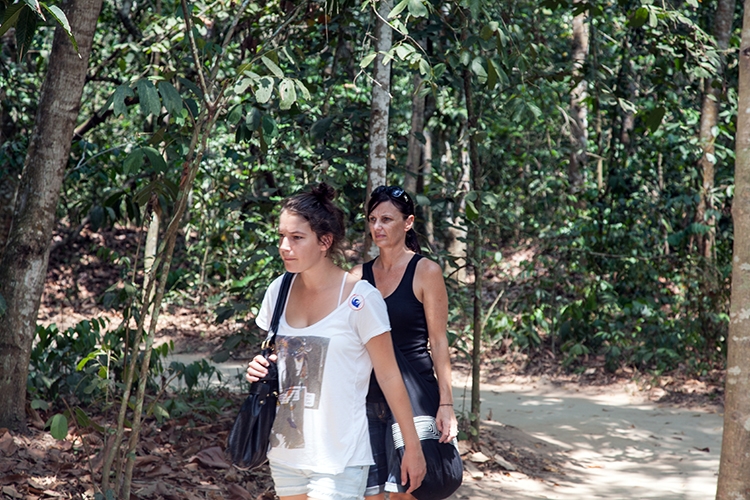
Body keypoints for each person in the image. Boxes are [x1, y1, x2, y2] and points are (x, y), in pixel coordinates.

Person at [245, 183, 426, 500]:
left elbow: (389, 376)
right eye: (282, 236)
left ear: (324, 241)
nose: (285, 246)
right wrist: (259, 367)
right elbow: (278, 361)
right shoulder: (278, 290)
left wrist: (412, 448)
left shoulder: (361, 297)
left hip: (339, 459)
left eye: (297, 238)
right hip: (286, 453)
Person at [352, 185, 459, 500]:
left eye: (386, 219)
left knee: (407, 493)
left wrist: (446, 405)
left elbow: (439, 342)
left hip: (414, 399)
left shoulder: (426, 272)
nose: (377, 227)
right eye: (372, 219)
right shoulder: (357, 276)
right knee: (369, 495)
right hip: (368, 400)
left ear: (408, 222)